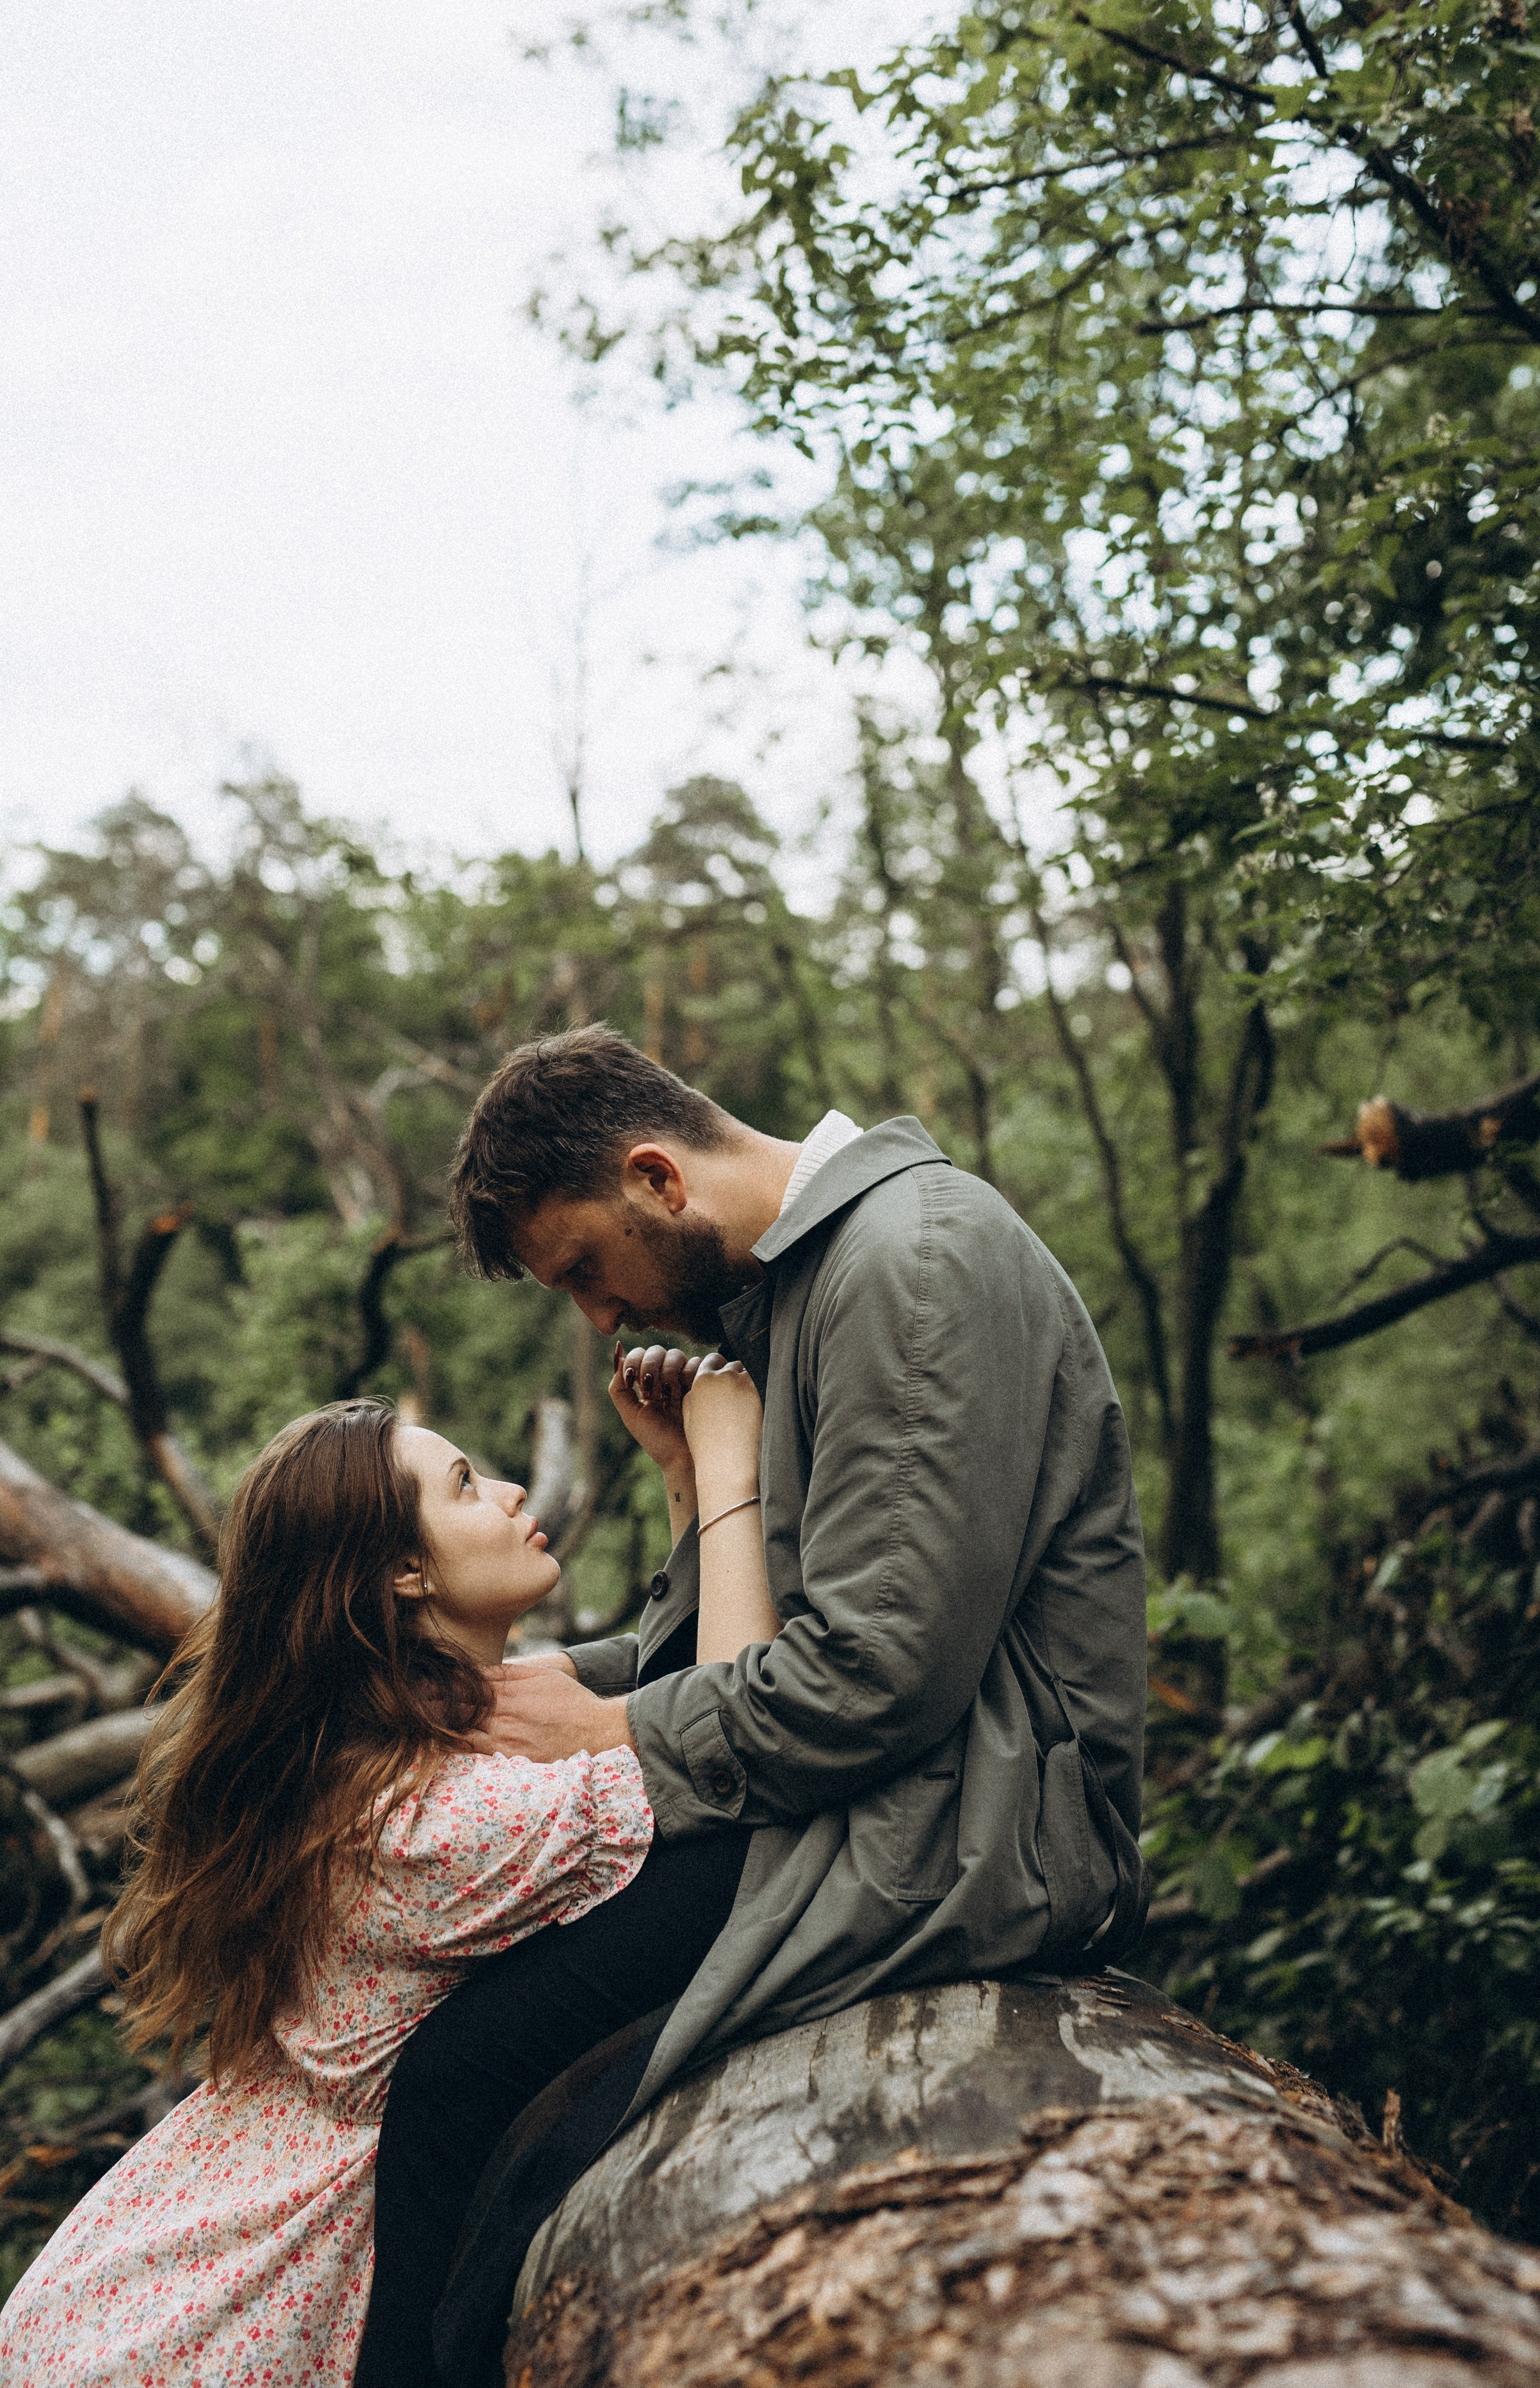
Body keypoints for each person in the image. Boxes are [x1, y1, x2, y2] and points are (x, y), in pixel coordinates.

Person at [358, 1023, 1150, 2388]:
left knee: (485, 2126)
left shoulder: (907, 1266)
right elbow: (766, 1623)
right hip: (882, 1799)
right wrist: (569, 1681)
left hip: (963, 1832)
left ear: (656, 1177)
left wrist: (612, 1730)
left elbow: (872, 1682)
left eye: (585, 1273)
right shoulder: (802, 1291)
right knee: (454, 2067)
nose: (598, 1317)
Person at [0, 1367, 772, 2386]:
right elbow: (740, 1746)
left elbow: (682, 1705)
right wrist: (727, 1466)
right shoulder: (425, 1822)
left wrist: (676, 1480)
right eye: (464, 1485)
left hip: (182, 2224)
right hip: (232, 2298)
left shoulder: (419, 1732)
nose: (505, 1493)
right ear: (406, 1573)